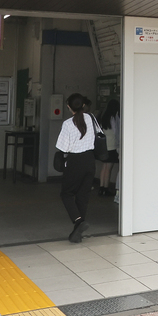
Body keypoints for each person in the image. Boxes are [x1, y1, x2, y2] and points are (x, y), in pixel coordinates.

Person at [55, 93, 97, 243]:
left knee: (66, 193)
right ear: (83, 105)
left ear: (69, 107)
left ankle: (78, 221)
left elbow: (63, 147)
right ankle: (77, 233)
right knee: (83, 196)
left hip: (75, 161)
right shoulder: (91, 118)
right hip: (90, 160)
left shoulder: (68, 123)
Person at [97, 100, 121, 197]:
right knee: (109, 168)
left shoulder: (103, 116)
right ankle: (106, 188)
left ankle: (102, 187)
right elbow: (116, 131)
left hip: (104, 144)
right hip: (111, 145)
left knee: (104, 167)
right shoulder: (113, 117)